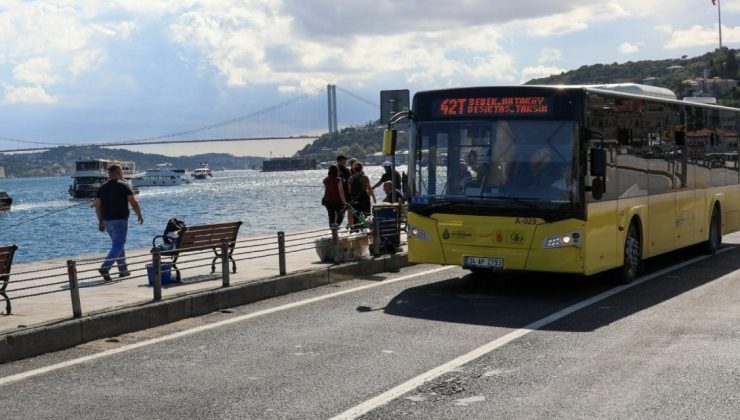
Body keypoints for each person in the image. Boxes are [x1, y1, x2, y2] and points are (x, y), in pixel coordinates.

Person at [94, 164, 144, 281]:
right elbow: (133, 202)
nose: (122, 174)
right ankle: (105, 267)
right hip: (120, 220)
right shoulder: (124, 185)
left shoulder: (102, 188)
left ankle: (123, 270)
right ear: (117, 173)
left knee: (117, 245)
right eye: (121, 172)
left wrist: (101, 222)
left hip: (107, 221)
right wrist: (139, 214)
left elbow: (97, 206)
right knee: (118, 245)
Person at [348, 162, 376, 230]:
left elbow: (349, 190)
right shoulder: (364, 177)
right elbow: (369, 188)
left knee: (356, 215)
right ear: (362, 169)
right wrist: (373, 197)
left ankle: (355, 229)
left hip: (354, 199)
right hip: (364, 198)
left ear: (354, 169)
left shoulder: (350, 178)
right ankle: (367, 229)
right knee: (367, 214)